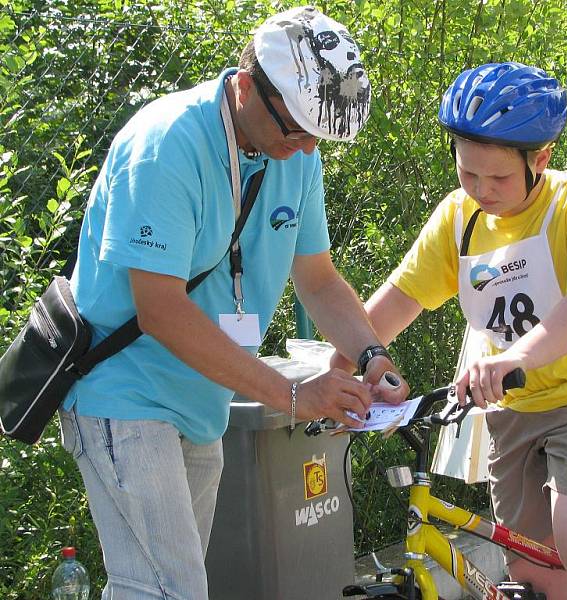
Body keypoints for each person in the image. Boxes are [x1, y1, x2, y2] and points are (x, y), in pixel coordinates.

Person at [57, 7, 408, 599]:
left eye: (316, 137)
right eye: (295, 131)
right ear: (246, 86)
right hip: (125, 390)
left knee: (159, 589)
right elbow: (160, 310)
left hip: (203, 397)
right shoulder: (166, 144)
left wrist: (372, 355)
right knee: (169, 590)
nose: (303, 150)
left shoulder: (296, 151)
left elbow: (319, 281)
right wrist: (294, 396)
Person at [331, 62, 567, 600]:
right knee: (534, 578)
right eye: (468, 173)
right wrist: (337, 374)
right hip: (516, 410)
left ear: (542, 159)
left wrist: (514, 358)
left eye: (499, 177)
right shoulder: (458, 218)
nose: (482, 189)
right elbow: (395, 303)